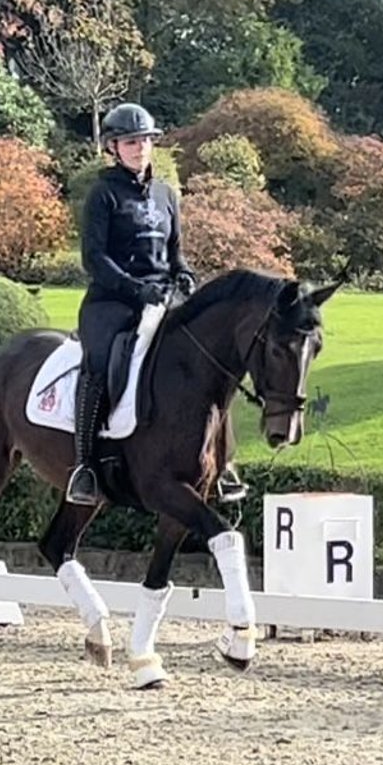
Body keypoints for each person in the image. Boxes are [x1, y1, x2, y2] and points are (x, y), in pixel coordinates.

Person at [67, 101, 247, 506]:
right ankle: (85, 466)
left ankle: (221, 463)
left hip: (163, 296)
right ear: (113, 147)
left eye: (145, 141)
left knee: (209, 361)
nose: (139, 148)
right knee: (101, 362)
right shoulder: (103, 194)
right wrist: (135, 288)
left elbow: (175, 251)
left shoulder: (166, 193)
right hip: (111, 303)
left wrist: (183, 274)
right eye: (131, 142)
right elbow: (94, 259)